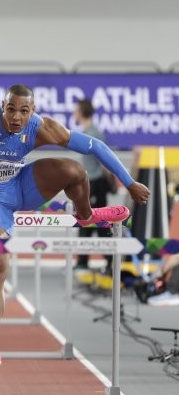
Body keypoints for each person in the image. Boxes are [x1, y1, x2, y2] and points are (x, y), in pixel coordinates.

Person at [0, 84, 150, 376]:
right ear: (3, 106)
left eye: (24, 111)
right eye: (11, 109)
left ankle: (85, 215)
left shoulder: (41, 128)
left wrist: (129, 182)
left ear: (32, 112)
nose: (15, 117)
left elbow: (95, 147)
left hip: (23, 187)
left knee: (75, 171)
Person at [73, 99, 115, 272]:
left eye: (76, 110)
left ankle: (111, 262)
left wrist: (111, 180)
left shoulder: (94, 133)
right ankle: (83, 262)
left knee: (100, 223)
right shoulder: (87, 132)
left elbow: (104, 161)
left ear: (82, 112)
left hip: (96, 184)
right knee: (86, 220)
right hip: (89, 183)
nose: (74, 113)